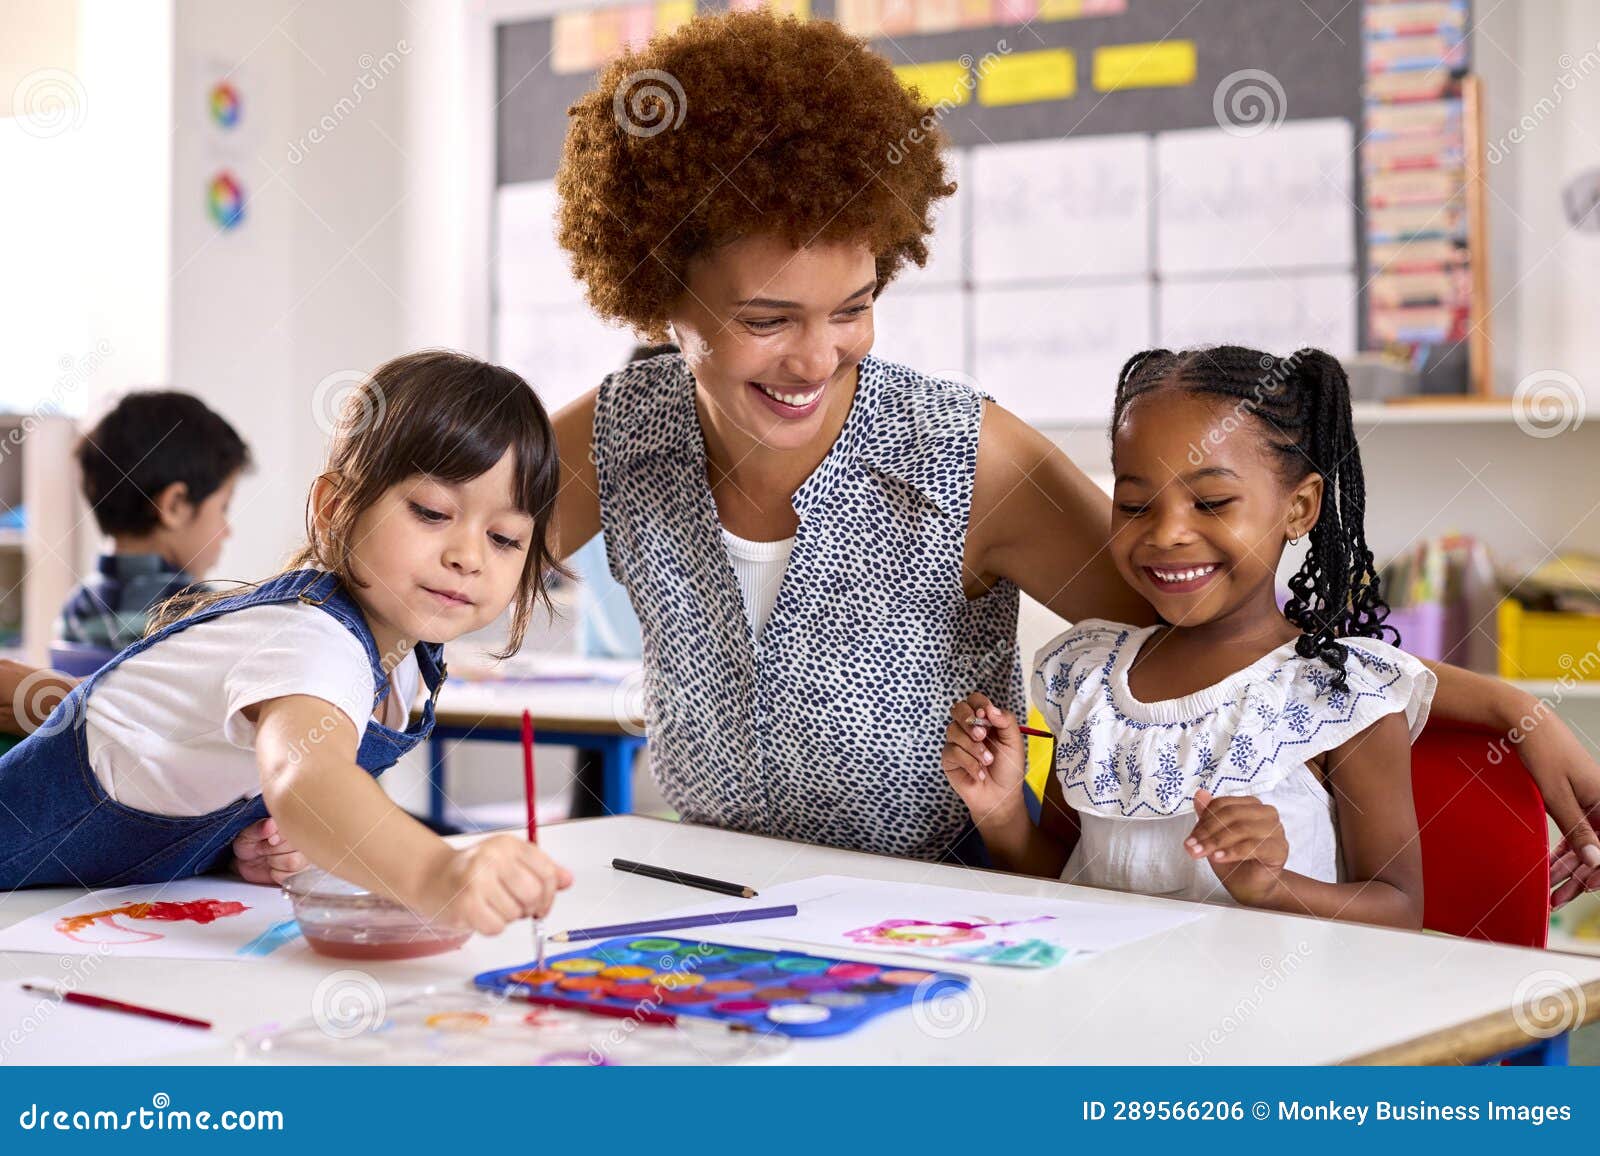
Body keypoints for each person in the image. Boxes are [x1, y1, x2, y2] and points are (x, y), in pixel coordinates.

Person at [544, 10, 1600, 897]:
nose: (816, 358)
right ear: (655, 295)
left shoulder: (963, 456)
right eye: (766, 319)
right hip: (694, 890)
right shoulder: (623, 428)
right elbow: (430, 557)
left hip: (927, 907)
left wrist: (1506, 703)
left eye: (854, 308)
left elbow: (1224, 630)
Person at [0, 351, 571, 936]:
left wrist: (255, 843)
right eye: (431, 512)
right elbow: (306, 780)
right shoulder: (312, 639)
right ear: (333, 508)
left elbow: (282, 794)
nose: (468, 557)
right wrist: (438, 873)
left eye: (504, 538)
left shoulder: (402, 656)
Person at [946, 346, 1428, 926]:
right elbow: (1061, 879)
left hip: (1275, 1008)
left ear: (1300, 507)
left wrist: (1276, 888)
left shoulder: (1342, 692)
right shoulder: (1088, 676)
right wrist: (1001, 815)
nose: (1168, 532)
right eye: (1134, 504)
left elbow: (1401, 909)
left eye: (1211, 502)